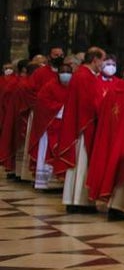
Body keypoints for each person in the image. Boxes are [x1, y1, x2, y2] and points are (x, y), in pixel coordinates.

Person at [86, 58, 124, 219]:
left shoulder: (111, 91)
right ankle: (120, 207)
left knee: (109, 166)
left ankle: (110, 203)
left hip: (108, 137)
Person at [55, 47, 112, 213]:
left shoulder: (82, 74)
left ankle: (75, 200)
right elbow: (92, 103)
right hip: (85, 127)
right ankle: (79, 201)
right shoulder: (85, 77)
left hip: (80, 125)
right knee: (82, 163)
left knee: (79, 165)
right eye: (102, 60)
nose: (103, 64)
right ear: (94, 60)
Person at [29, 57, 74, 189]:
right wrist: (62, 108)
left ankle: (61, 184)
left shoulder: (74, 86)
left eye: (68, 72)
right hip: (50, 124)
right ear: (58, 74)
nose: (65, 75)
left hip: (66, 126)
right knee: (47, 152)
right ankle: (45, 183)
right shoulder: (49, 86)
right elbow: (42, 103)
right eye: (63, 72)